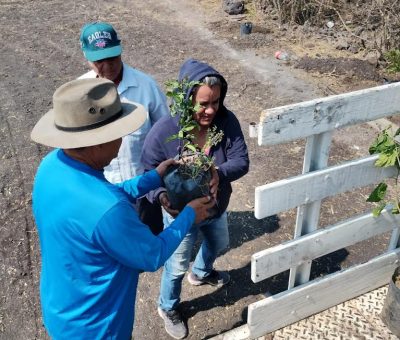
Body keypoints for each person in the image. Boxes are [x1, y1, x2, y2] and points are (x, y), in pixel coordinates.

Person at [30, 78, 215, 339]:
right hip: (98, 327)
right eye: (118, 135)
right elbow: (152, 255)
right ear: (97, 142)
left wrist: (154, 177)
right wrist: (188, 215)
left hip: (61, 308)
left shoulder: (51, 167)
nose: (121, 143)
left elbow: (97, 203)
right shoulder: (109, 210)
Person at [141, 58, 250, 339]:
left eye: (215, 101)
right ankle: (168, 306)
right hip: (180, 215)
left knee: (219, 242)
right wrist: (162, 195)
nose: (210, 110)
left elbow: (241, 161)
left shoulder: (227, 122)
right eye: (203, 103)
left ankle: (201, 273)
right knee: (176, 265)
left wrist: (218, 172)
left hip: (215, 207)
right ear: (187, 98)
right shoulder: (165, 131)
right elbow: (147, 170)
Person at [79, 21, 168, 233]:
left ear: (120, 50)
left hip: (144, 187)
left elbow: (166, 131)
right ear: (87, 59)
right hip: (102, 189)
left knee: (147, 238)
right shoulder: (80, 92)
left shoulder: (146, 86)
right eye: (99, 61)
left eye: (112, 57)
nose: (108, 66)